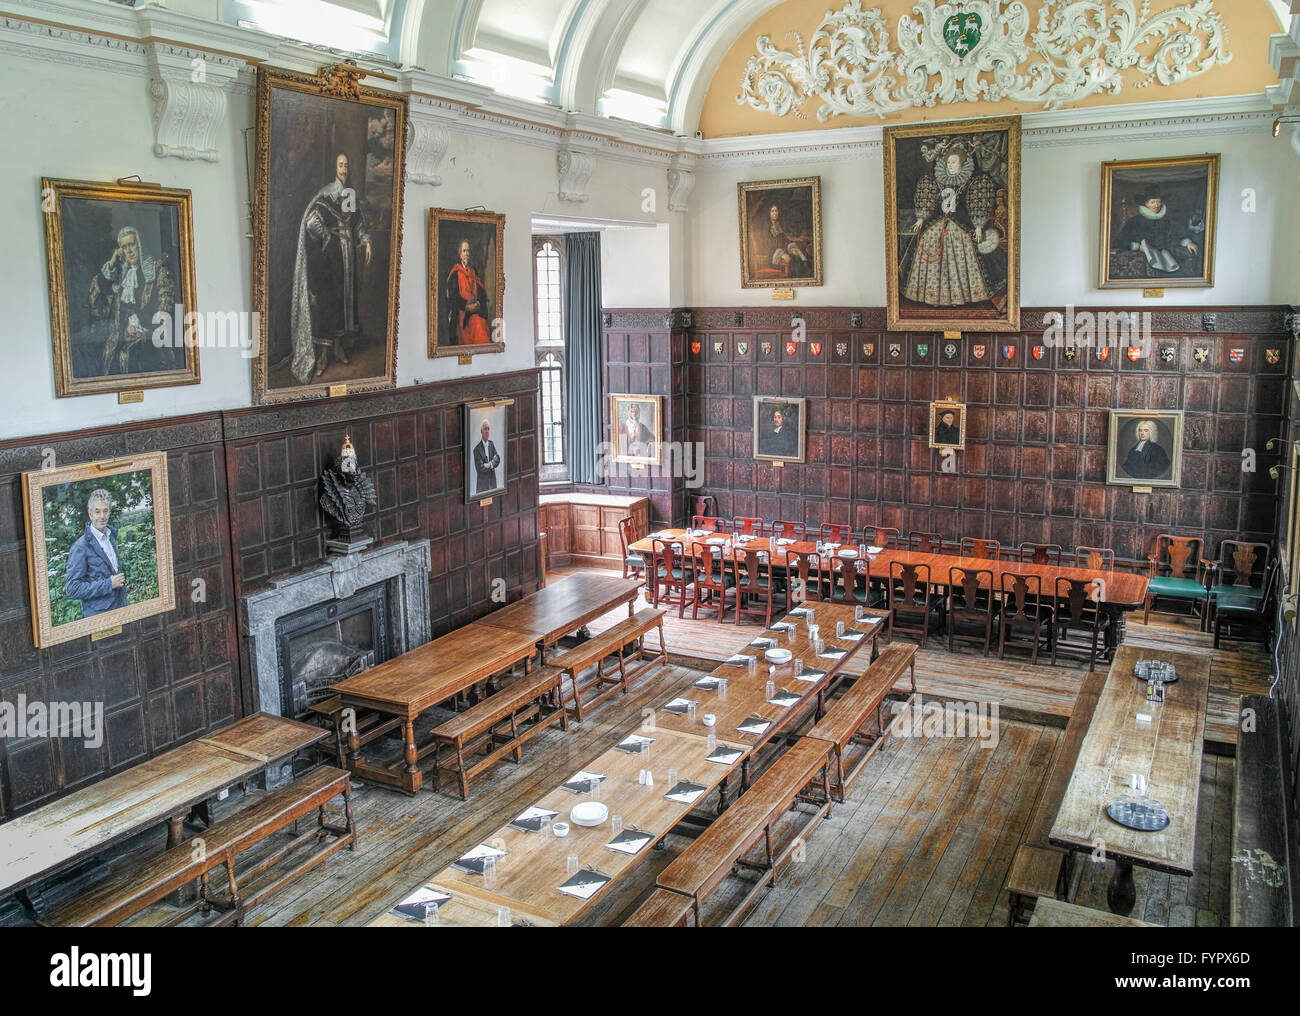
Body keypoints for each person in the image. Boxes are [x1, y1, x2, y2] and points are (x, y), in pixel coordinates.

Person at [288, 152, 372, 383]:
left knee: (345, 302)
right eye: (340, 164)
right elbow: (311, 220)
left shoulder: (349, 195)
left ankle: (338, 348)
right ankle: (323, 355)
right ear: (334, 167)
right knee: (329, 303)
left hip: (348, 259)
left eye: (347, 165)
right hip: (330, 259)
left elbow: (357, 223)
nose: (344, 168)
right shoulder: (326, 194)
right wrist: (326, 237)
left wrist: (365, 241)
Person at [900, 141, 1003, 311]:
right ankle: (934, 296)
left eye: (954, 162)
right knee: (928, 238)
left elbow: (977, 203)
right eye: (948, 162)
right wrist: (920, 218)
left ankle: (959, 296)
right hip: (938, 223)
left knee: (962, 247)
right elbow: (929, 199)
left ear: (962, 164)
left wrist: (978, 226)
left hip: (962, 224)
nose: (951, 165)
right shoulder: (936, 181)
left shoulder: (971, 182)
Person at [88, 225, 176, 376]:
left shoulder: (158, 272)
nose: (129, 251)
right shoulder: (121, 276)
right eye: (124, 247)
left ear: (139, 245)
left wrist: (138, 323)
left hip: (148, 340)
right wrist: (111, 263)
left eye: (132, 245)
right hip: (118, 339)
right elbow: (97, 301)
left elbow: (165, 308)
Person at [63, 489, 128, 619]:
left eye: (105, 510)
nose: (102, 516)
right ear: (90, 514)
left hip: (120, 609)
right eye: (97, 511)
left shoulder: (111, 537)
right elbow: (72, 589)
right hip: (98, 617)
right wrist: (108, 584)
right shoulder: (80, 547)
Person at [1115, 189, 1201, 275]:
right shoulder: (1135, 221)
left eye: (1158, 202)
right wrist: (1136, 246)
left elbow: (1178, 233)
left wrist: (1187, 242)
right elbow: (1122, 239)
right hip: (1145, 255)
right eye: (1152, 202)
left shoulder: (1167, 220)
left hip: (1165, 253)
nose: (1156, 205)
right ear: (1146, 204)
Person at [445, 239, 492, 345]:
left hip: (475, 311)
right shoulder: (455, 273)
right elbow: (452, 297)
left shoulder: (473, 271)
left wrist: (478, 303)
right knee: (477, 325)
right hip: (461, 314)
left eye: (468, 251)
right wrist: (466, 307)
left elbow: (481, 291)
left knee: (480, 324)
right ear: (460, 253)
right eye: (464, 251)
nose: (466, 254)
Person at [761, 203, 813, 278]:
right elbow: (766, 245)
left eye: (776, 211)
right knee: (792, 261)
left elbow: (784, 239)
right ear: (769, 213)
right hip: (771, 254)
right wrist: (782, 254)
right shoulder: (765, 227)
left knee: (797, 255)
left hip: (783, 249)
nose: (775, 213)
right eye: (772, 211)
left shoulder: (779, 224)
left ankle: (805, 275)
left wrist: (792, 248)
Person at [473, 419, 502, 495]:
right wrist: (493, 464)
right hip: (482, 487)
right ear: (481, 431)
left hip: (492, 484)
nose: (487, 431)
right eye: (485, 429)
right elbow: (480, 468)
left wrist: (489, 464)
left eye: (488, 429)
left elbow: (498, 459)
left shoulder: (491, 444)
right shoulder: (476, 450)